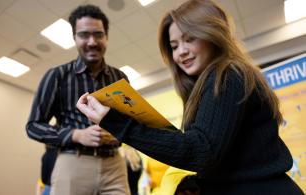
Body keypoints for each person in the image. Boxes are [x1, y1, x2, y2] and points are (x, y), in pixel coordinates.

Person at [76, 0, 305, 194]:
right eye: (174, 46)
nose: (180, 52)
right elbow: (211, 151)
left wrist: (116, 122)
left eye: (190, 39)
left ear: (213, 34)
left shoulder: (227, 75)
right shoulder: (212, 82)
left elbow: (200, 152)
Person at [26, 4, 130, 195]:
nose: (92, 42)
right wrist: (76, 135)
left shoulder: (120, 77)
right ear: (74, 38)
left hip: (115, 165)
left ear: (106, 37)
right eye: (84, 35)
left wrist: (119, 133)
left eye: (98, 34)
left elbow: (130, 120)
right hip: (73, 161)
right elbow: (33, 125)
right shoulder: (56, 75)